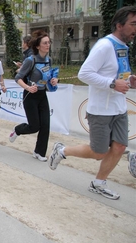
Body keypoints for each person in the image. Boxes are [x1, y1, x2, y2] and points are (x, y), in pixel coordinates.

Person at [48, 6, 136, 200]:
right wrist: (113, 84)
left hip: (119, 108)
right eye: (133, 24)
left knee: (120, 147)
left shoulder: (123, 47)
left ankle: (99, 183)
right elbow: (84, 74)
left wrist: (129, 80)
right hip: (101, 110)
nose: (135, 29)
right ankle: (62, 150)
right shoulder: (105, 45)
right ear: (119, 25)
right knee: (99, 152)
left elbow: (113, 73)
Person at [9, 30, 58, 161]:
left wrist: (54, 80)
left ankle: (39, 152)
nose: (48, 45)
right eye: (45, 43)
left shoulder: (49, 60)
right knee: (34, 126)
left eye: (49, 43)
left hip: (42, 94)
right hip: (29, 96)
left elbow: (49, 76)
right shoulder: (31, 60)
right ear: (38, 46)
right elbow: (18, 78)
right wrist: (28, 87)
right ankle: (18, 130)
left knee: (45, 125)